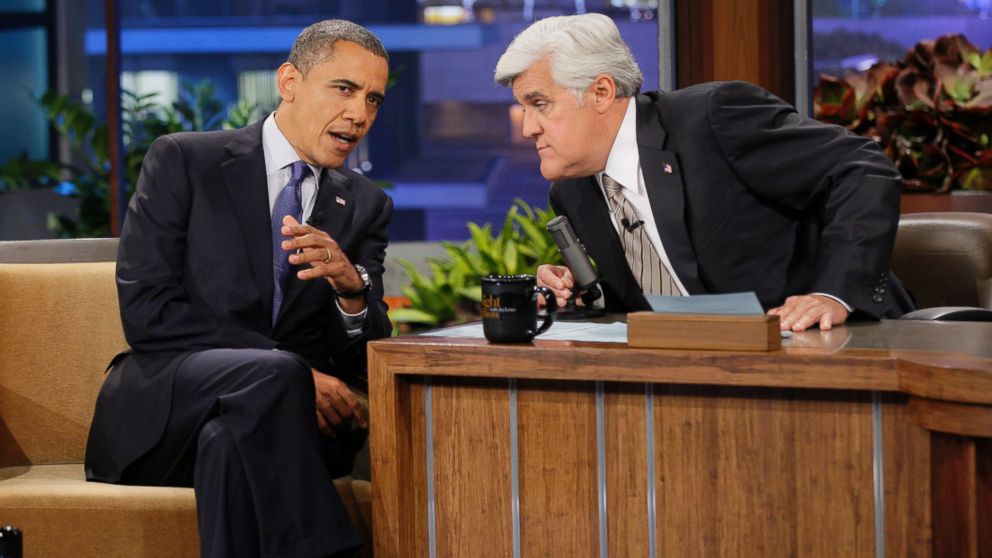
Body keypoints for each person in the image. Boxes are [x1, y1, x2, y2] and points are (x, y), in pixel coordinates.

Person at [84, 19, 392, 557]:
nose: (360, 114)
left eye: (373, 99)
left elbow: (362, 354)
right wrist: (291, 373)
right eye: (344, 89)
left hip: (287, 427)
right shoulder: (184, 160)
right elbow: (147, 311)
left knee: (228, 446)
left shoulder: (366, 205)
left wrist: (352, 291)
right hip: (167, 411)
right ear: (290, 81)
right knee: (276, 373)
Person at [494, 13, 913, 332]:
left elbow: (862, 169)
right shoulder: (573, 192)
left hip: (834, 341)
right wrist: (579, 294)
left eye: (540, 104)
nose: (528, 127)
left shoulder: (711, 120)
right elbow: (651, 298)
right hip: (704, 370)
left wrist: (832, 294)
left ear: (601, 92)